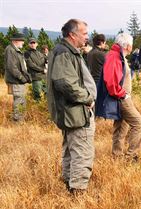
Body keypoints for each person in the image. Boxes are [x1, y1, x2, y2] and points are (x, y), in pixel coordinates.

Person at [47, 19, 96, 195]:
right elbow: (65, 83)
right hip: (75, 112)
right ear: (72, 35)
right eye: (84, 33)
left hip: (72, 112)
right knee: (82, 153)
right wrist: (88, 98)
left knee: (70, 150)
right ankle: (78, 193)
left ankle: (69, 185)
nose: (87, 37)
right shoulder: (64, 53)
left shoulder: (67, 51)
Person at [96, 33, 141, 163]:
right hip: (122, 99)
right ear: (128, 46)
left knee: (121, 127)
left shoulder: (117, 55)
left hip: (121, 98)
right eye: (131, 44)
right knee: (139, 124)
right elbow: (111, 82)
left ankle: (117, 157)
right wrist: (123, 95)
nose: (132, 46)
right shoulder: (115, 57)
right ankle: (131, 157)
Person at [4, 33, 31, 122]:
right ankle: (17, 122)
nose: (23, 42)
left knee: (22, 100)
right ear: (16, 41)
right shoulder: (10, 50)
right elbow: (12, 68)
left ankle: (21, 120)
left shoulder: (16, 50)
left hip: (19, 81)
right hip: (16, 81)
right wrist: (22, 78)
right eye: (22, 40)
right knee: (18, 100)